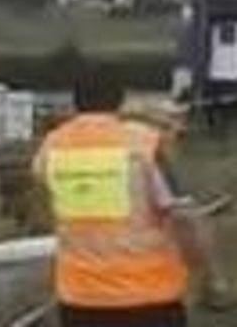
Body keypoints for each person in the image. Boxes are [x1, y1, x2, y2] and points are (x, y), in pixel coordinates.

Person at [34, 64, 221, 326]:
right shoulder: (144, 144)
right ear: (121, 99)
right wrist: (210, 276)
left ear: (75, 101)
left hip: (80, 300)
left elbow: (51, 211)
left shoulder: (51, 148)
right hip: (149, 299)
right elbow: (184, 218)